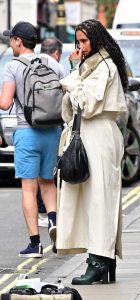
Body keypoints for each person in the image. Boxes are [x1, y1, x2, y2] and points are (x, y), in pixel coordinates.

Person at [57, 19, 129, 285]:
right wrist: (74, 76)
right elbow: (69, 107)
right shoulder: (89, 66)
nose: (81, 47)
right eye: (79, 42)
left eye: (85, 41)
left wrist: (73, 75)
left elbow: (86, 105)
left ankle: (98, 261)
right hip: (87, 134)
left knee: (100, 200)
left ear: (98, 39)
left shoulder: (105, 66)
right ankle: (100, 257)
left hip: (100, 135)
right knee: (90, 201)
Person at [0, 21, 63, 258]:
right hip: (52, 131)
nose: (10, 43)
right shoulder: (52, 62)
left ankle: (35, 244)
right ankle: (55, 223)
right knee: (48, 182)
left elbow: (5, 103)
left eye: (11, 39)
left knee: (28, 188)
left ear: (18, 41)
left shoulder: (12, 66)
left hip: (27, 132)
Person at [37, 37, 65, 228]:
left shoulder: (28, 63)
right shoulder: (58, 67)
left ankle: (39, 212)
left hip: (28, 125)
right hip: (54, 124)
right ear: (56, 53)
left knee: (32, 179)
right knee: (51, 173)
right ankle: (53, 214)